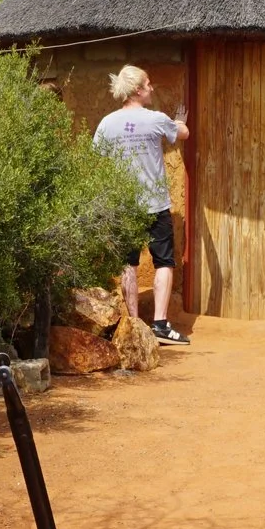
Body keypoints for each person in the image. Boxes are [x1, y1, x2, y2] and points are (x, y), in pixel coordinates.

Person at [94, 65, 192, 344]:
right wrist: (179, 121)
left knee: (129, 265)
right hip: (154, 203)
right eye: (148, 84)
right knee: (164, 262)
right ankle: (160, 325)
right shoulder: (156, 119)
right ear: (137, 89)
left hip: (123, 206)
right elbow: (182, 134)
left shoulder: (107, 123)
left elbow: (97, 159)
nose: (152, 88)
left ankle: (135, 326)